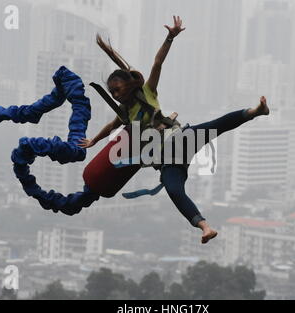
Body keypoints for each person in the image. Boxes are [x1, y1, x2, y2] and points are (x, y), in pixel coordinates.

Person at [79, 16, 270, 244]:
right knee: (174, 190)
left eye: (118, 89)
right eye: (112, 93)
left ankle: (256, 111)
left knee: (216, 126)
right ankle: (205, 227)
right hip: (168, 161)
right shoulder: (124, 114)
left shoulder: (148, 92)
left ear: (129, 84)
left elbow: (157, 63)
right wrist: (94, 140)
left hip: (179, 140)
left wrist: (170, 37)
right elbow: (110, 127)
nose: (116, 95)